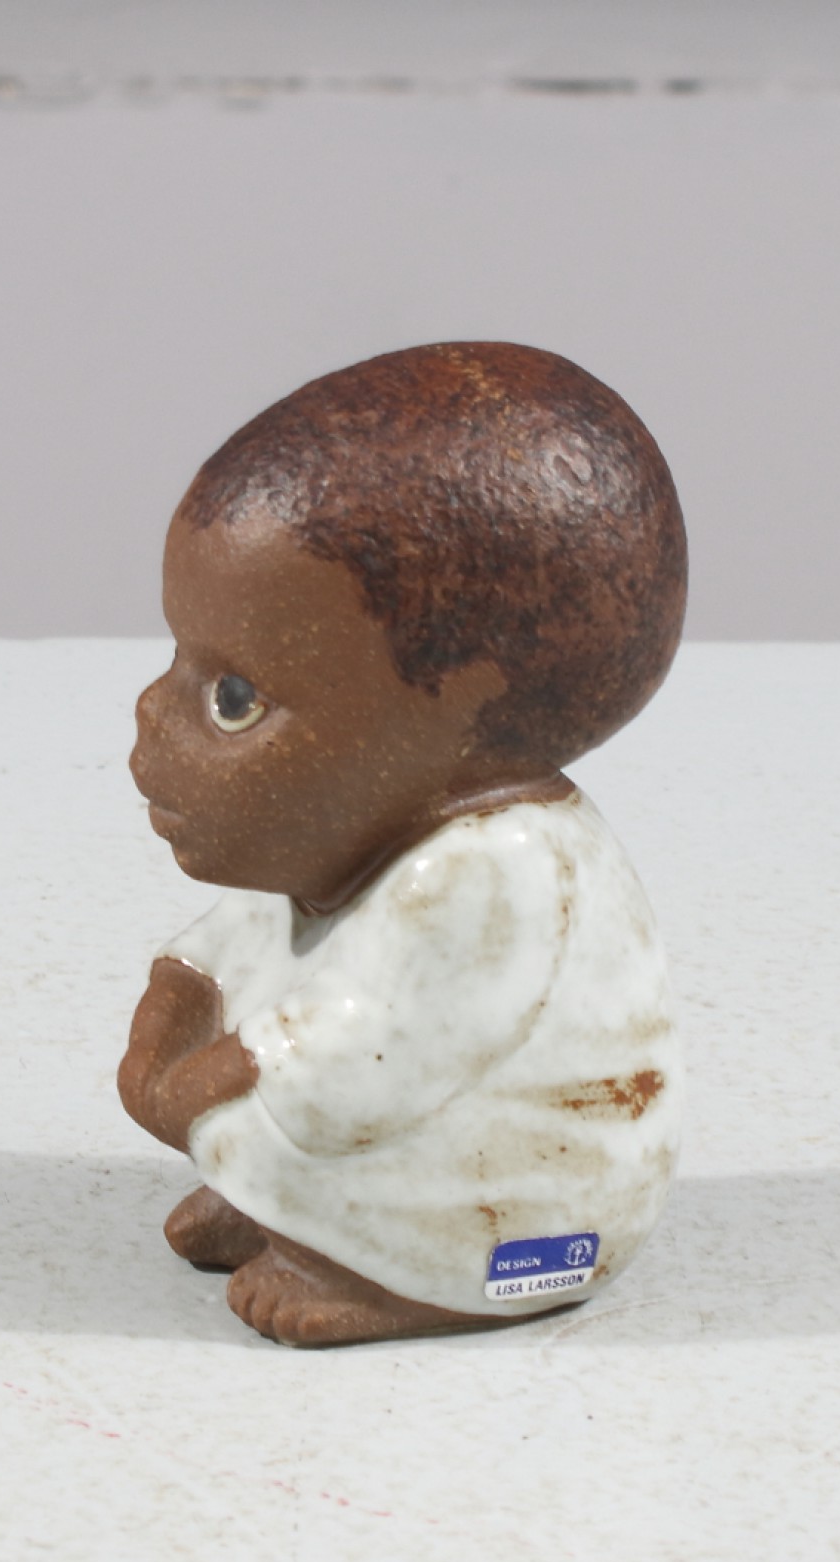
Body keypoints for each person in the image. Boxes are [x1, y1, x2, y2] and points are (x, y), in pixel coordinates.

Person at [120, 341, 688, 1345]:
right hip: (378, 1126)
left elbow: (364, 1064)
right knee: (250, 1110)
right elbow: (237, 940)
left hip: (528, 1218)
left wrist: (192, 1084)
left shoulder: (500, 872)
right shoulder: (366, 831)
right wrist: (174, 1002)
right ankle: (296, 1217)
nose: (151, 713)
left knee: (273, 1111)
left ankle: (400, 1275)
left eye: (234, 699)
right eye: (180, 661)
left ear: (449, 712)